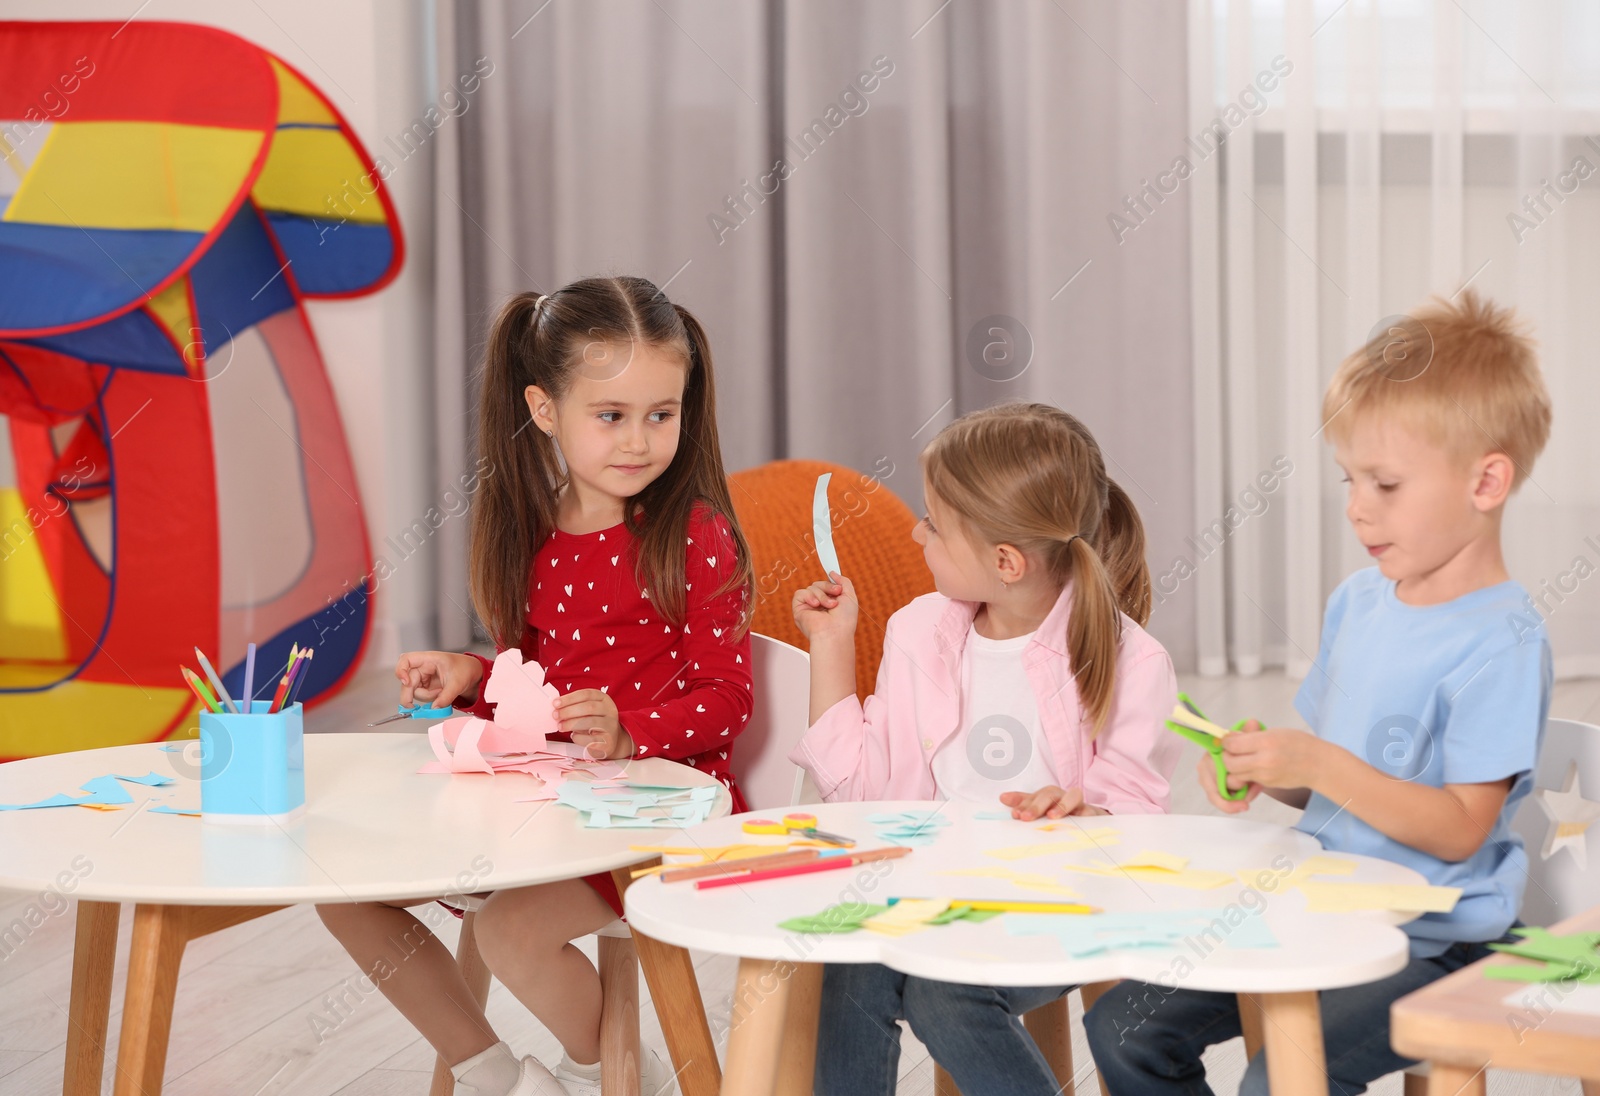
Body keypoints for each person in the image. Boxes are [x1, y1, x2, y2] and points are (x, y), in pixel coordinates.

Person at [1085, 290, 1554, 1095]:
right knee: (1121, 1027)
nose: (1355, 509)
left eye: (1386, 485)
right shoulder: (1358, 602)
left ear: (1486, 482)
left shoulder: (1503, 640)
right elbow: (1338, 787)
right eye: (1349, 480)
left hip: (1437, 934)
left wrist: (1321, 763)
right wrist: (1275, 769)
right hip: (1329, 901)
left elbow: (1457, 834)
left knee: (1278, 1082)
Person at [319, 276, 755, 1096]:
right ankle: (495, 1077)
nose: (639, 440)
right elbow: (538, 692)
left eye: (662, 414)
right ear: (546, 410)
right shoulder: (535, 535)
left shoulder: (695, 535)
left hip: (655, 806)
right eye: (611, 416)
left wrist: (629, 730)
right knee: (342, 890)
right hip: (545, 800)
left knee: (514, 932)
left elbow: (728, 700)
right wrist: (471, 676)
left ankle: (609, 1075)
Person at [791, 402, 1180, 1096]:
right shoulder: (920, 633)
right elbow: (862, 798)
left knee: (946, 993)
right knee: (845, 965)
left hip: (1059, 904)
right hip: (935, 891)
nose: (915, 531)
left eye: (934, 525)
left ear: (1004, 561)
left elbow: (1138, 821)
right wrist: (831, 645)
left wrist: (1087, 813)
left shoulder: (1132, 660)